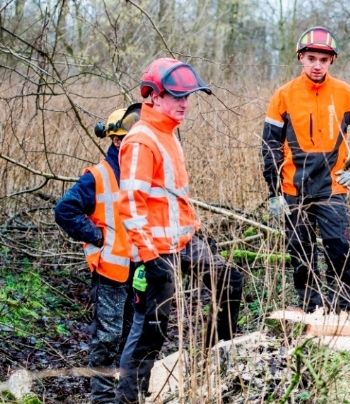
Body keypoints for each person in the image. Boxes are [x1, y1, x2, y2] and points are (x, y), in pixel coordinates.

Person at [115, 58, 243, 403]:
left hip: (185, 242)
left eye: (187, 96)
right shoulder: (142, 140)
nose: (184, 103)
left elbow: (175, 197)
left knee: (229, 281)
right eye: (176, 96)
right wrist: (148, 257)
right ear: (154, 96)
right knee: (151, 331)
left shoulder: (169, 132)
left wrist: (198, 231)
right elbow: (131, 204)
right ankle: (129, 399)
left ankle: (211, 365)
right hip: (156, 251)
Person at [261, 26, 350, 313]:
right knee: (300, 251)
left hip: (332, 187)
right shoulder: (284, 95)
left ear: (331, 61)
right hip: (293, 189)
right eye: (311, 58)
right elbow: (270, 146)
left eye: (323, 60)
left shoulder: (346, 94)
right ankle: (310, 305)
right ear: (301, 57)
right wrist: (274, 192)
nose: (317, 65)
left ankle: (343, 305)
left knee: (338, 246)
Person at [54, 104, 141, 403]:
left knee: (131, 335)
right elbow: (64, 210)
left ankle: (125, 393)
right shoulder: (98, 176)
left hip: (137, 268)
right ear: (116, 140)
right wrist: (97, 236)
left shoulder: (137, 174)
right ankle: (102, 398)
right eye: (131, 139)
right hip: (110, 271)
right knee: (107, 337)